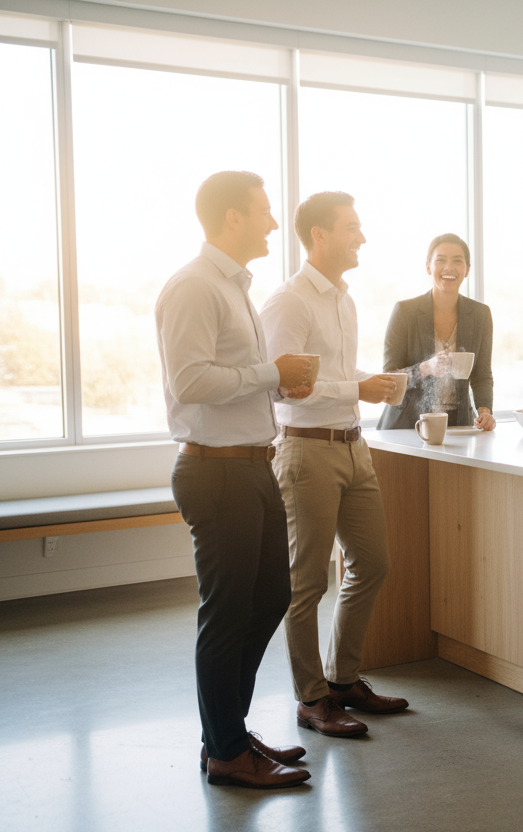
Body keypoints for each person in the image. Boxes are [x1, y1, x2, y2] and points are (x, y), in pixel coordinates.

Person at [156, 170, 313, 789]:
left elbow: (237, 375)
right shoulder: (195, 287)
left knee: (271, 595)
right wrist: (270, 374)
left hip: (251, 465)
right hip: (215, 471)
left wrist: (272, 379)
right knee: (226, 614)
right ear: (231, 219)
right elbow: (189, 382)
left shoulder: (233, 288)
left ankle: (225, 729)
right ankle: (224, 750)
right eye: (264, 212)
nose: (275, 223)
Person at [259, 192, 409, 740]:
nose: (362, 237)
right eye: (351, 227)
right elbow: (283, 385)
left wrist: (372, 382)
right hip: (306, 450)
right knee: (306, 583)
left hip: (353, 445)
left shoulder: (343, 299)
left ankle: (344, 680)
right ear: (319, 235)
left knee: (372, 563)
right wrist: (357, 387)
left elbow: (332, 374)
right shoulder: (288, 301)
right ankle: (311, 698)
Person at [377, 233, 495, 430]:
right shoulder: (405, 311)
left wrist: (485, 412)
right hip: (406, 425)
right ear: (428, 266)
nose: (449, 267)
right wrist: (426, 368)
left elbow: (482, 375)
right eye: (441, 260)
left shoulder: (480, 315)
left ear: (466, 270)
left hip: (459, 426)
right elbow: (389, 377)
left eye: (457, 261)